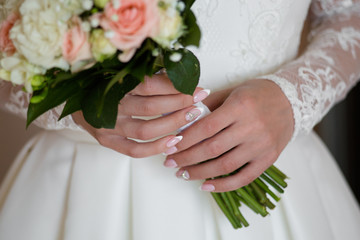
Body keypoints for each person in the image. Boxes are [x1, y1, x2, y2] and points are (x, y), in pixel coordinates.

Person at [0, 0, 360, 239]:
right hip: (82, 189)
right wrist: (80, 101)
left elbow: (346, 16)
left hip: (270, 163)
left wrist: (291, 100)